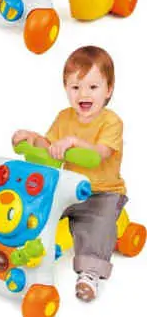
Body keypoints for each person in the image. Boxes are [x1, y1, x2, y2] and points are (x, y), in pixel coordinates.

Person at [12, 46, 126, 302]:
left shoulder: (111, 122)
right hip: (69, 187)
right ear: (66, 89)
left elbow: (101, 153)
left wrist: (74, 143)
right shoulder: (64, 117)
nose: (83, 94)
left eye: (93, 87)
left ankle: (90, 272)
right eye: (75, 87)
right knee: (39, 210)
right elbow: (50, 146)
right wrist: (32, 138)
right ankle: (24, 247)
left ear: (108, 90)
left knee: (96, 224)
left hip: (102, 193)